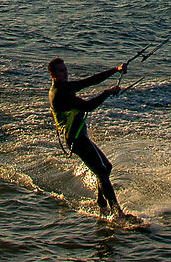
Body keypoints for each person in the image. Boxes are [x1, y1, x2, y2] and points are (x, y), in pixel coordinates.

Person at [48, 57, 131, 216]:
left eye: (65, 70)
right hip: (75, 139)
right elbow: (88, 106)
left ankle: (101, 203)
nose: (65, 73)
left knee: (106, 168)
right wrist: (107, 93)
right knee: (101, 171)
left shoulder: (65, 86)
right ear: (53, 75)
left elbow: (90, 81)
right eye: (61, 71)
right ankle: (116, 212)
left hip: (81, 136)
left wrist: (116, 69)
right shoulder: (59, 94)